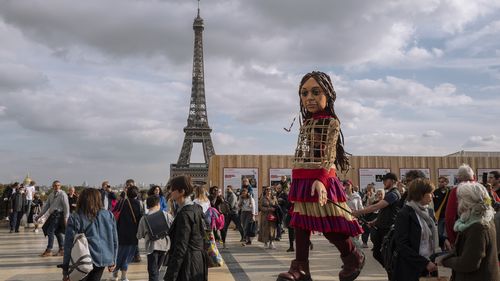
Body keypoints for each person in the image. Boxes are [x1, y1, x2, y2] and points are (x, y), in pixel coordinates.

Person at [278, 71, 364, 281]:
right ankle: (301, 267)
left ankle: (352, 255)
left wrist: (321, 179)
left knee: (329, 225)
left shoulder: (331, 122)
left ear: (329, 94)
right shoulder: (306, 123)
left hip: (320, 178)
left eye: (316, 92)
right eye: (304, 93)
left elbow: (330, 153)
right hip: (302, 178)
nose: (309, 98)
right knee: (301, 223)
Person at [437, 181, 499, 281]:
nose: (458, 202)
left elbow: (469, 264)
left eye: (460, 199)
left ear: (467, 202)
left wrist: (445, 261)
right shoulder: (483, 219)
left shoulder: (478, 226)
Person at [62, 188, 118, 281]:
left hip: (82, 259)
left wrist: (65, 269)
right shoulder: (108, 215)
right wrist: (113, 260)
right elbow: (114, 240)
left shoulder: (75, 217)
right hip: (102, 259)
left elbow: (68, 245)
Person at [392, 179, 439, 281]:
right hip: (411, 268)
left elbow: (430, 233)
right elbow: (402, 245)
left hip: (429, 265)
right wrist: (424, 263)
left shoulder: (428, 212)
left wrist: (444, 239)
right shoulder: (404, 214)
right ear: (420, 194)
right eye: (430, 193)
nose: (433, 196)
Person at [352, 172, 401, 272]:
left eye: (385, 180)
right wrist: (374, 221)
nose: (383, 182)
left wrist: (358, 212)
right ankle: (390, 269)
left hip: (388, 230)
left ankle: (392, 271)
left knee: (386, 254)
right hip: (381, 228)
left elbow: (376, 207)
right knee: (377, 253)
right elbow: (384, 212)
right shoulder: (389, 194)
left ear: (392, 181)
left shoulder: (394, 194)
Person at [165, 175, 208, 281]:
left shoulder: (184, 214)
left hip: (187, 265)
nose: (170, 191)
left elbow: (181, 247)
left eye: (173, 189)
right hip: (198, 261)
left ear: (182, 191)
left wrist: (171, 275)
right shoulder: (196, 208)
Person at [137, 195, 173, 281]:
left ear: (148, 205)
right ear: (158, 204)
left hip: (151, 247)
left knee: (153, 271)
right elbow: (173, 228)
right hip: (165, 247)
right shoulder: (166, 215)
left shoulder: (144, 218)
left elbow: (139, 235)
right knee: (160, 270)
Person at [112, 186, 142, 281]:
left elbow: (114, 213)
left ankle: (114, 274)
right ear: (137, 194)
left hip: (120, 232)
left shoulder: (121, 202)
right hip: (133, 234)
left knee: (119, 254)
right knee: (127, 256)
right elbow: (141, 219)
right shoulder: (138, 204)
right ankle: (124, 276)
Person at [444, 164, 475, 248]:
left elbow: (449, 217)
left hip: (463, 234)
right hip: (485, 231)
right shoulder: (483, 189)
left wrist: (452, 239)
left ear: (459, 178)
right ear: (474, 177)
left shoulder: (456, 191)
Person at [39, 180, 70, 257]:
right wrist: (39, 215)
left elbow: (66, 207)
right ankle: (62, 249)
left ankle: (49, 250)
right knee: (57, 232)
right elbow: (46, 206)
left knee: (50, 231)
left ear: (60, 186)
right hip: (53, 215)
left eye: (58, 185)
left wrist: (66, 218)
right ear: (53, 186)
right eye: (55, 185)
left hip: (59, 215)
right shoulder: (51, 195)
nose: (57, 187)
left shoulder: (62, 194)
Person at [433, 176, 450, 250]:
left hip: (447, 217)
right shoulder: (435, 192)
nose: (440, 183)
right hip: (438, 217)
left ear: (446, 183)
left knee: (447, 234)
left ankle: (448, 248)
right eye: (439, 182)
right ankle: (441, 248)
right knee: (439, 234)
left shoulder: (450, 192)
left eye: (442, 182)